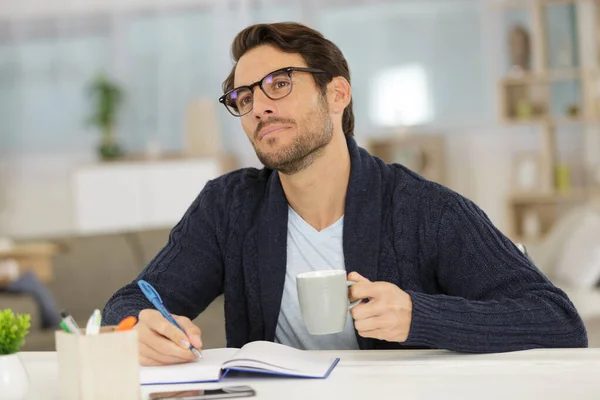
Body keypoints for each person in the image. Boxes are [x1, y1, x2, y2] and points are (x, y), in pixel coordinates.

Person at [103, 22, 587, 366]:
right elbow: (133, 300)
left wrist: (420, 316)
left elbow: (558, 320)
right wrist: (134, 329)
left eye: (279, 83)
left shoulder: (424, 209)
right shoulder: (228, 206)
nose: (258, 108)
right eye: (244, 97)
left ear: (337, 94)